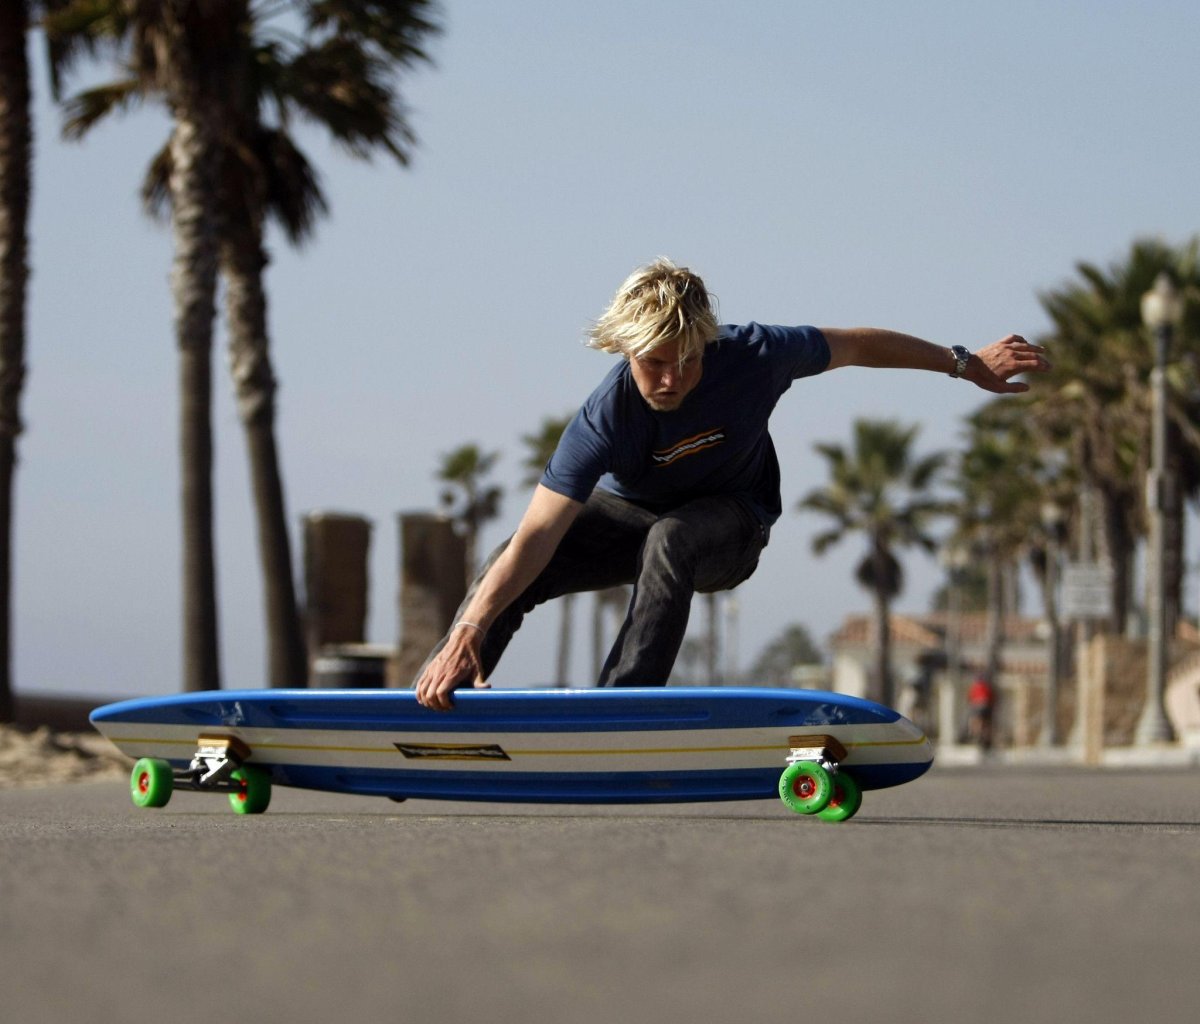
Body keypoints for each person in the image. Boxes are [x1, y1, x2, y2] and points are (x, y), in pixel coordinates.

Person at [414, 258, 1050, 710]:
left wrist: (963, 364)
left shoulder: (756, 355)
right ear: (626, 353)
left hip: (728, 528)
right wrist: (469, 627)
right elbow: (537, 535)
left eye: (685, 361)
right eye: (653, 364)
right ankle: (438, 693)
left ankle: (619, 712)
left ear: (706, 344)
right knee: (508, 565)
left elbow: (858, 345)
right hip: (627, 520)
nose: (669, 379)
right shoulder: (605, 415)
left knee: (672, 537)